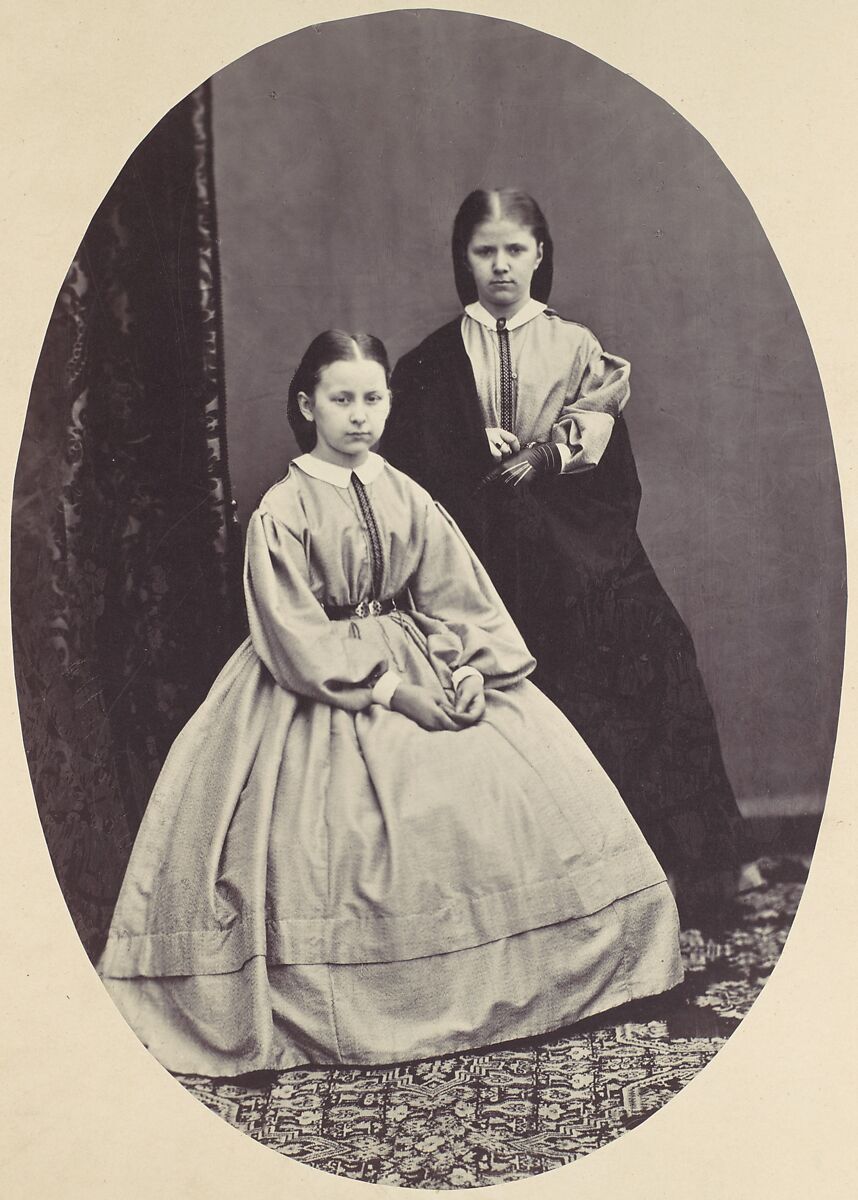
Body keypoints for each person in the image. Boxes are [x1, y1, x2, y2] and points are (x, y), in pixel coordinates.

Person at [98, 329, 682, 1077]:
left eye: (373, 398)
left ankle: (525, 985)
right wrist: (392, 691)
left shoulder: (406, 491)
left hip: (426, 657)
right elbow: (293, 634)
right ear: (308, 405)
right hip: (318, 685)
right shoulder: (282, 510)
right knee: (331, 844)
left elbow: (455, 592)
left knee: (500, 800)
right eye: (341, 399)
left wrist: (473, 668)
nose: (360, 415)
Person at [382, 189, 760, 925]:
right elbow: (413, 471)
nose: (500, 267)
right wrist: (471, 453)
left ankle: (693, 864)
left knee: (653, 650)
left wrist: (548, 457)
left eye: (515, 250)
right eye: (484, 251)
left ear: (541, 254)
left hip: (579, 546)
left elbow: (608, 460)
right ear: (463, 260)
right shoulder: (429, 362)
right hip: (482, 553)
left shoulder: (578, 346)